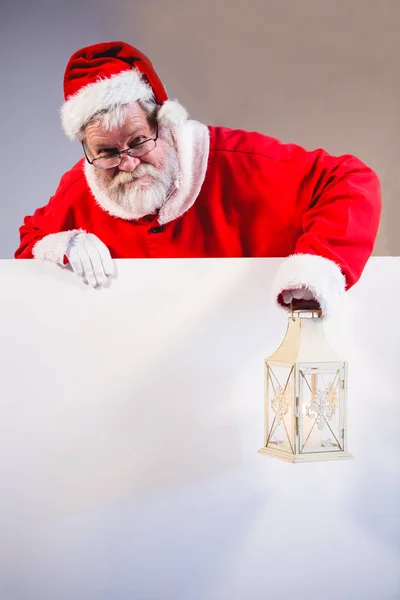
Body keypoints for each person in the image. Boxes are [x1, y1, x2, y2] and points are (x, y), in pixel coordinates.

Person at [15, 41, 381, 317]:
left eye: (139, 140)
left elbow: (351, 180)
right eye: (107, 152)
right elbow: (30, 244)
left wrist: (316, 266)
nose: (126, 163)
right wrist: (64, 245)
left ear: (164, 122)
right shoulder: (83, 189)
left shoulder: (240, 160)